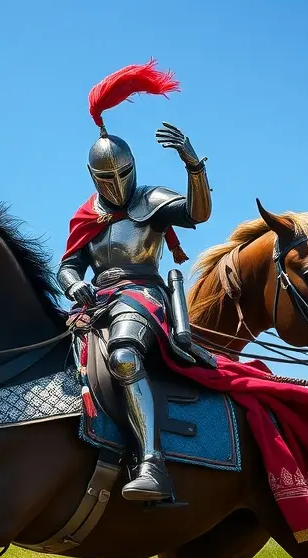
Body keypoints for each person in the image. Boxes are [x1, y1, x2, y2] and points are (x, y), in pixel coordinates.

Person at [58, 60, 213, 505]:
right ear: (94, 179)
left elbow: (198, 214)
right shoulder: (87, 215)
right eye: (106, 178)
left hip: (142, 294)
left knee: (125, 357)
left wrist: (193, 165)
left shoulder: (152, 200)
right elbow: (68, 265)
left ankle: (152, 464)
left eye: (122, 174)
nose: (116, 184)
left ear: (133, 168)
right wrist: (73, 286)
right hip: (93, 301)